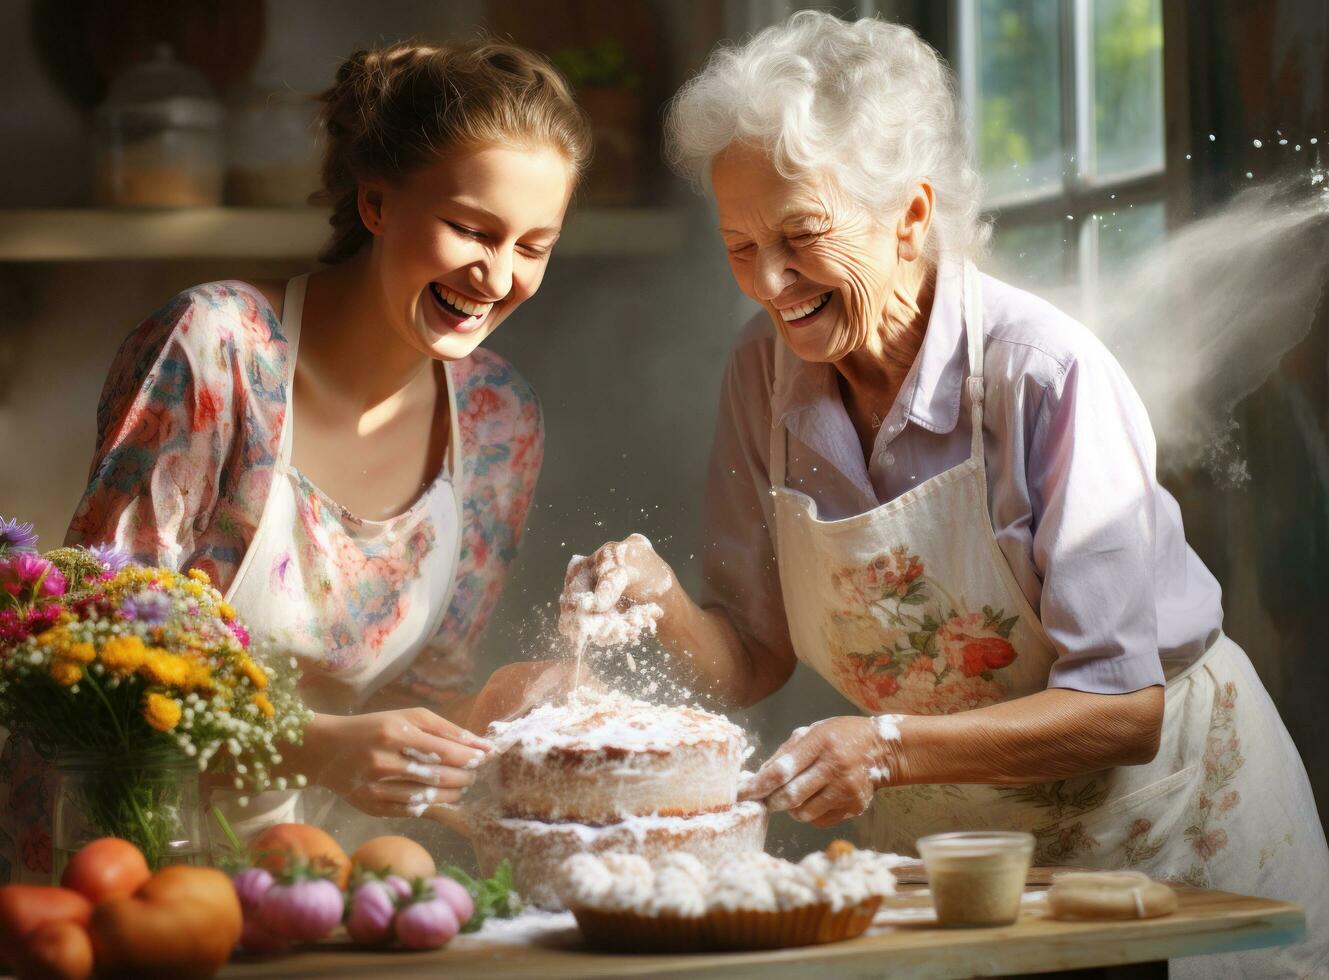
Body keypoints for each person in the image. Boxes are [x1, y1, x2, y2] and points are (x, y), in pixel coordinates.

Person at [565, 13, 1328, 977]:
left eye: (800, 236)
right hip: (950, 853)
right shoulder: (760, 376)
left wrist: (884, 748)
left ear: (911, 216)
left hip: (1160, 837)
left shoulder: (1040, 374)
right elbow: (752, 656)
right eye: (739, 244)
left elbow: (1121, 708)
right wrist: (657, 595)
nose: (768, 281)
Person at [0, 38, 590, 879]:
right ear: (377, 203)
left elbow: (410, 703)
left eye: (533, 246)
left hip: (315, 882)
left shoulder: (498, 422)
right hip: (120, 865)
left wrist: (504, 709)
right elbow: (84, 660)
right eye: (470, 228)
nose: (496, 276)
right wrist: (311, 747)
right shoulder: (219, 351)